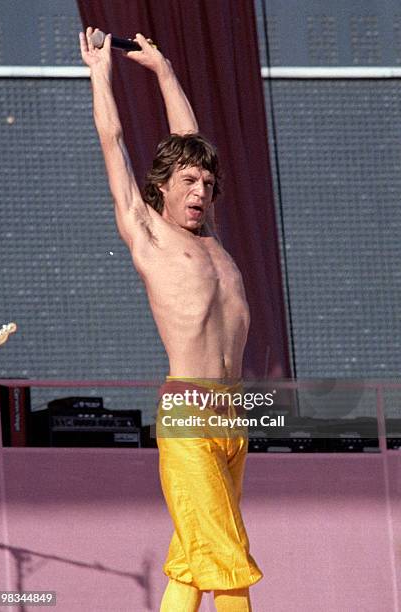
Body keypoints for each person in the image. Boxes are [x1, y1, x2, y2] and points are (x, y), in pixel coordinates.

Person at [79, 27, 263, 611]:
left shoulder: (209, 236)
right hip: (188, 414)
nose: (201, 192)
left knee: (192, 561)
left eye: (207, 184)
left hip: (234, 415)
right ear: (160, 188)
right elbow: (113, 141)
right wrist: (101, 75)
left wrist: (163, 71)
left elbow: (191, 142)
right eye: (188, 183)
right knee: (229, 561)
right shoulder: (149, 233)